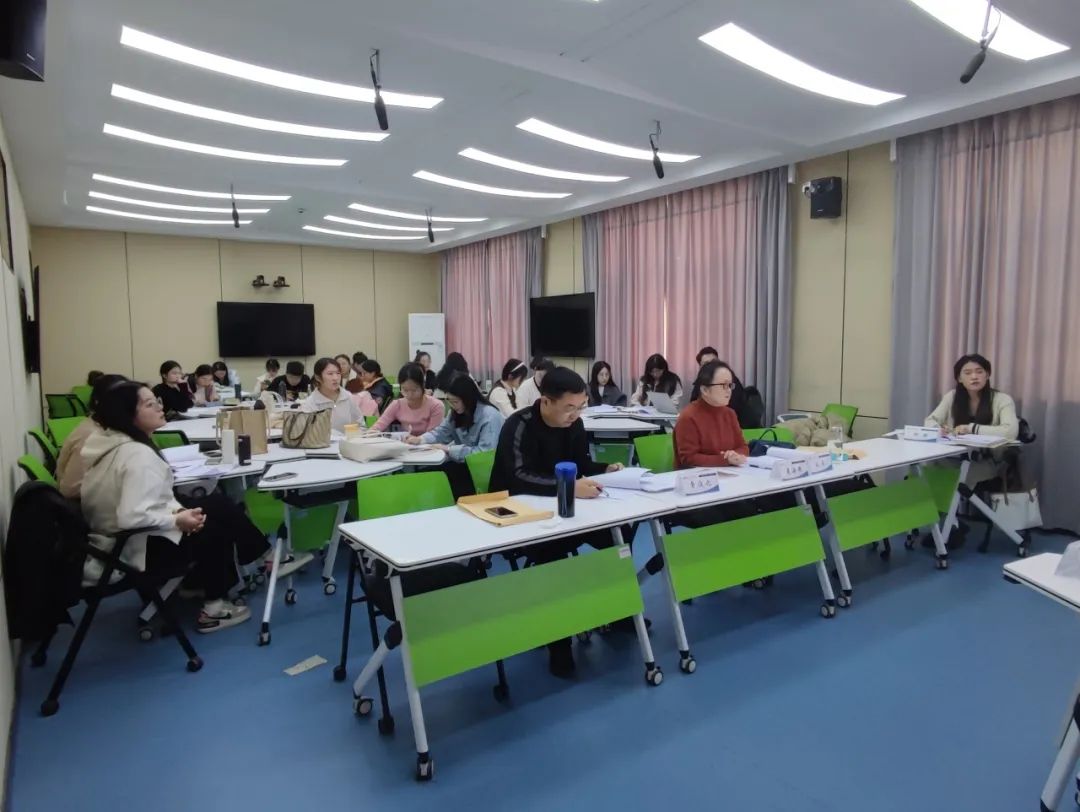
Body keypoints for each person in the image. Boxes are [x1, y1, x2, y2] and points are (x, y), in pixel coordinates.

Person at [79, 381, 268, 633]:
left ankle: (256, 559)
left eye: (157, 401)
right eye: (150, 404)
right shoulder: (137, 456)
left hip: (118, 541)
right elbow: (130, 517)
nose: (160, 407)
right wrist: (176, 520)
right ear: (128, 415)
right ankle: (214, 609)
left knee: (216, 503)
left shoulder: (111, 444)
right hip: (132, 550)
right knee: (211, 528)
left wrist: (177, 512)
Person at [489, 367, 626, 677]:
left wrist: (606, 469)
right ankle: (559, 642)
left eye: (581, 407)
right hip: (520, 515)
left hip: (564, 510)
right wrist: (567, 486)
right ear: (546, 401)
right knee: (551, 554)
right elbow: (518, 477)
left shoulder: (574, 424)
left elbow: (582, 463)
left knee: (618, 535)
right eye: (569, 407)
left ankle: (619, 609)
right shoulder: (518, 425)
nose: (575, 415)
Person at [673, 360, 752, 528]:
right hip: (696, 489)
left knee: (753, 510)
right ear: (705, 390)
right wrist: (725, 460)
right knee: (726, 518)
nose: (729, 390)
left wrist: (737, 456)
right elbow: (688, 459)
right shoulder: (688, 417)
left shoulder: (730, 414)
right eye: (723, 385)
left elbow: (743, 447)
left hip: (728, 484)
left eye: (730, 385)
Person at [925, 353, 1018, 487]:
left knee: (962, 478)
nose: (974, 377)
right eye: (967, 373)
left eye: (979, 372)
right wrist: (938, 430)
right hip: (954, 456)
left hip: (987, 460)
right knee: (929, 467)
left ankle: (955, 500)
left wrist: (971, 428)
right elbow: (930, 420)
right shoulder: (952, 397)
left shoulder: (1002, 399)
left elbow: (1010, 432)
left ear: (987, 375)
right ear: (959, 378)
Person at [405, 373, 503, 497]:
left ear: (468, 398)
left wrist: (449, 449)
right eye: (449, 401)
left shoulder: (489, 416)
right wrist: (420, 439)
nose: (452, 405)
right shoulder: (456, 413)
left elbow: (484, 454)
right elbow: (441, 432)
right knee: (427, 475)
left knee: (441, 483)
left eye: (455, 401)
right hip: (465, 465)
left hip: (485, 472)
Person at [56, 373, 126, 499]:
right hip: (81, 506)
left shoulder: (106, 427)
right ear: (99, 401)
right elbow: (70, 490)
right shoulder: (90, 435)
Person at [688, 346, 761, 428]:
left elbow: (734, 406)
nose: (711, 366)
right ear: (701, 367)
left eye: (714, 362)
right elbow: (694, 406)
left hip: (732, 425)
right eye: (706, 364)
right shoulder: (700, 382)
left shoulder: (729, 378)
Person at [371, 363, 444, 435]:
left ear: (423, 385)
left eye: (414, 390)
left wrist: (417, 439)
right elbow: (379, 425)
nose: (409, 395)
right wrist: (370, 433)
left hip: (426, 442)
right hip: (405, 441)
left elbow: (433, 436)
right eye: (405, 390)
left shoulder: (435, 405)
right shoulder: (397, 404)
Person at [303, 357, 363, 432]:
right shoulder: (311, 403)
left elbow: (359, 421)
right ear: (318, 377)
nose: (335, 378)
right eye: (330, 374)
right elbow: (309, 431)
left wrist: (351, 435)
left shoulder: (347, 396)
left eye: (338, 373)